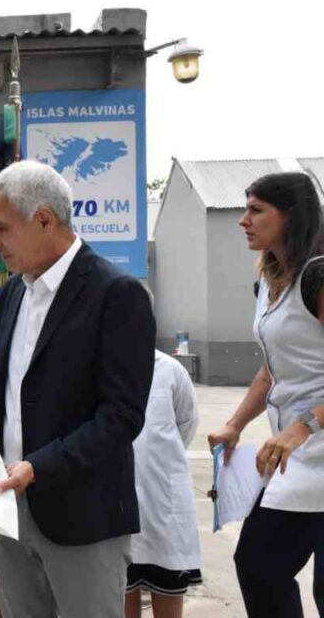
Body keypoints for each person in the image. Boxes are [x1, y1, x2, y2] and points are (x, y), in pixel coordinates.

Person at [0, 161, 155, 618]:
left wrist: (38, 467)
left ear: (44, 219)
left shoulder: (116, 294)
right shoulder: (14, 293)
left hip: (82, 515)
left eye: (0, 227)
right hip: (9, 506)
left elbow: (121, 416)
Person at [208, 171, 324, 617]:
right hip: (297, 459)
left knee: (269, 568)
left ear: (291, 216)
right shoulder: (270, 283)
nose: (244, 220)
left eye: (256, 210)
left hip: (308, 444)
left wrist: (301, 427)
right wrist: (235, 424)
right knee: (260, 568)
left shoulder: (317, 276)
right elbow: (273, 368)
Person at [125, 350, 202, 618]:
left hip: (162, 497)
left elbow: (187, 423)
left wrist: (158, 457)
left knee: (168, 580)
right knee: (121, 584)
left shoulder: (169, 369)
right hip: (116, 497)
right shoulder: (97, 364)